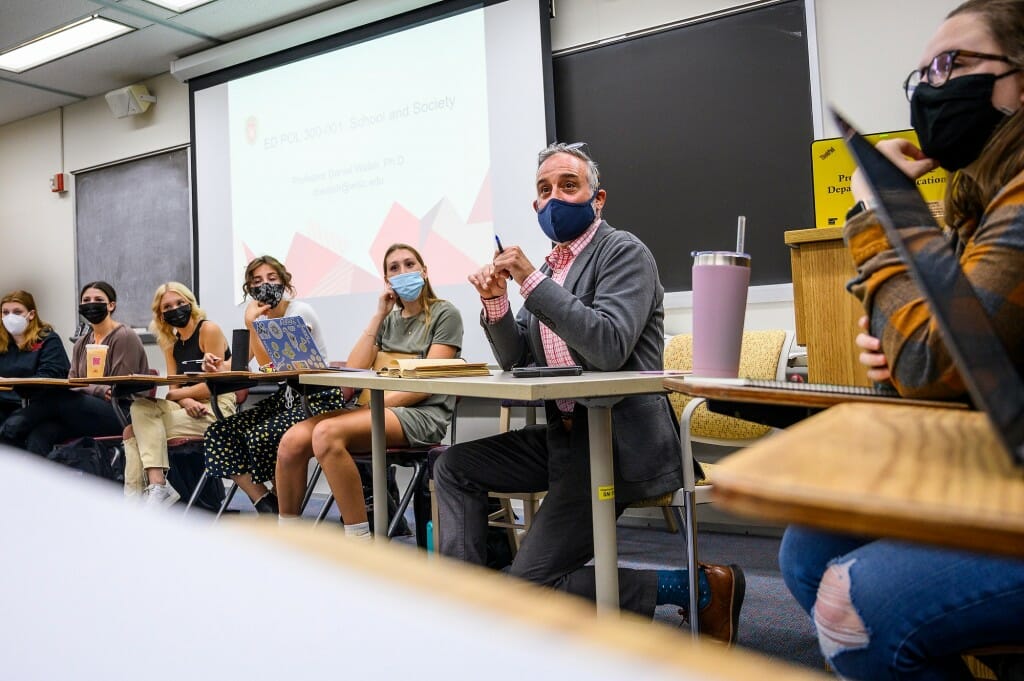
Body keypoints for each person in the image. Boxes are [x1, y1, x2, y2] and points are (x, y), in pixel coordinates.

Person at [779, 2, 1024, 677]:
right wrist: (892, 341)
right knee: (806, 548)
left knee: (852, 604)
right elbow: (922, 364)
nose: (933, 87)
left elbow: (930, 354)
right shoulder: (984, 202)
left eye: (955, 63)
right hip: (995, 466)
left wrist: (878, 205)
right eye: (923, 74)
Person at [432, 142, 745, 643]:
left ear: (598, 199)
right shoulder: (552, 268)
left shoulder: (624, 252)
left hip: (618, 442)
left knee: (528, 588)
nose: (554, 198)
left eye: (568, 186)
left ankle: (696, 586)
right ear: (535, 207)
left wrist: (531, 282)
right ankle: (470, 607)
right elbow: (519, 363)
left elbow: (608, 346)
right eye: (543, 190)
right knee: (453, 467)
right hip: (566, 438)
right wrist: (495, 304)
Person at [276, 243, 463, 538]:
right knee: (292, 440)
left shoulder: (445, 314)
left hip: (420, 414)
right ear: (387, 281)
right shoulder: (388, 320)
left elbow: (426, 384)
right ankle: (287, 536)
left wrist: (373, 408)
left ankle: (359, 538)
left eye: (409, 264)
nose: (403, 272)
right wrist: (379, 315)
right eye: (394, 268)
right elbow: (355, 370)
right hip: (376, 410)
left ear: (424, 272)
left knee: (326, 434)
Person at [201, 256, 345, 513]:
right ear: (249, 289)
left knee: (262, 435)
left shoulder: (299, 313)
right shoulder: (261, 320)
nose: (265, 285)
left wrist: (252, 325)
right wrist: (215, 364)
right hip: (288, 399)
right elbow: (238, 365)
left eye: (272, 279)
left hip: (317, 399)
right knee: (219, 433)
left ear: (285, 282)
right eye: (257, 281)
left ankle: (285, 512)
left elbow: (274, 367)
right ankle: (267, 503)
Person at [121, 282, 237, 507]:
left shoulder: (208, 329)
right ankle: (156, 486)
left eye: (180, 303)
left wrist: (182, 396)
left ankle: (136, 500)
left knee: (134, 431)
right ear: (160, 315)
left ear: (190, 304)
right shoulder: (169, 342)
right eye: (168, 307)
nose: (175, 309)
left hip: (216, 406)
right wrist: (186, 399)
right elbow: (173, 389)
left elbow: (214, 384)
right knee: (139, 407)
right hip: (187, 406)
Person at [7, 281, 149, 456]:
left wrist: (88, 388)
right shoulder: (81, 342)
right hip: (83, 412)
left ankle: (13, 423)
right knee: (41, 434)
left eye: (98, 299)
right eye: (86, 300)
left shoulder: (124, 336)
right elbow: (73, 381)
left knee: (58, 397)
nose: (91, 304)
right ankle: (32, 480)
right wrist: (93, 389)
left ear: (111, 305)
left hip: (121, 413)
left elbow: (117, 387)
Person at [0, 290, 70, 434]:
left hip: (41, 406)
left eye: (17, 312)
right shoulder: (3, 343)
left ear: (31, 314)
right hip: (4, 405)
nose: (10, 317)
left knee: (12, 428)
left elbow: (51, 376)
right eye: (5, 312)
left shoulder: (48, 339)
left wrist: (9, 381)